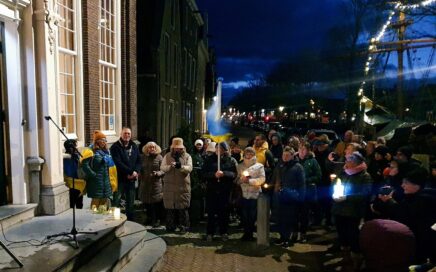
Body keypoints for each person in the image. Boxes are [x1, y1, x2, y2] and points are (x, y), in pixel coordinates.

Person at [372, 168, 436, 264]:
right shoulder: (412, 196)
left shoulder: (425, 200)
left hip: (417, 244)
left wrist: (390, 202)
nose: (402, 185)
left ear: (417, 185)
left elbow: (406, 217)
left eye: (406, 183)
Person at [331, 151, 372, 270]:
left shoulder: (365, 176)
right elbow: (335, 185)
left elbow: (365, 194)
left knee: (353, 236)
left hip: (353, 212)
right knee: (342, 235)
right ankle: (346, 257)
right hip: (339, 209)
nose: (346, 162)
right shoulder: (343, 173)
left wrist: (347, 197)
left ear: (356, 163)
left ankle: (356, 261)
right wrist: (334, 194)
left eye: (349, 160)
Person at [202, 141, 238, 241]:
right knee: (211, 213)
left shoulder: (230, 160)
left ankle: (224, 232)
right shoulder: (209, 159)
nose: (218, 150)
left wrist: (224, 173)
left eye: (221, 148)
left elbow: (234, 174)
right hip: (212, 190)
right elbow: (203, 174)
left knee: (224, 213)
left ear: (224, 150)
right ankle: (210, 233)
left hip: (224, 191)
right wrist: (214, 175)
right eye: (217, 148)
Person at [273, 146, 306, 247]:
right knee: (280, 218)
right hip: (280, 196)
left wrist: (301, 197)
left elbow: (302, 184)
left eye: (287, 155)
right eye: (284, 155)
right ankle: (282, 237)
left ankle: (287, 238)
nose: (285, 157)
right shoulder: (280, 165)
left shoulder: (298, 167)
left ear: (292, 156)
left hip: (292, 197)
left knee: (289, 218)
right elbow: (275, 178)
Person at [161, 137, 193, 233]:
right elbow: (162, 167)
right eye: (175, 148)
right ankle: (170, 226)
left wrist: (181, 166)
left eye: (179, 148)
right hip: (169, 187)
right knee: (170, 208)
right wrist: (170, 166)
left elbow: (189, 168)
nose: (177, 149)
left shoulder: (187, 156)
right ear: (172, 148)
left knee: (182, 208)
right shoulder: (167, 156)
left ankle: (184, 227)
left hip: (182, 186)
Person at [110, 127, 142, 220]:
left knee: (130, 201)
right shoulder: (115, 147)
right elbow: (118, 162)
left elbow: (139, 160)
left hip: (131, 179)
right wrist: (130, 172)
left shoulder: (134, 146)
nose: (127, 135)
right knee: (116, 200)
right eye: (125, 133)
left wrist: (136, 171)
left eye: (128, 133)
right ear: (121, 134)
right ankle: (114, 220)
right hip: (120, 179)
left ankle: (130, 220)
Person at [236, 147, 265, 241]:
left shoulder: (259, 166)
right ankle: (246, 233)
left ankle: (251, 234)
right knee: (244, 216)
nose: (248, 156)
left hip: (254, 195)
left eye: (250, 154)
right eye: (246, 154)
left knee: (252, 216)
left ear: (253, 155)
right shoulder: (240, 166)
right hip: (244, 195)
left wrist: (249, 181)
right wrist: (241, 180)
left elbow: (262, 179)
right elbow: (237, 180)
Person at [81, 130, 116, 210]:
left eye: (105, 140)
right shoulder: (90, 151)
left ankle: (102, 220)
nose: (104, 142)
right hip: (95, 182)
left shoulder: (106, 152)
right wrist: (93, 175)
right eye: (102, 140)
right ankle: (93, 220)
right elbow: (84, 165)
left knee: (104, 202)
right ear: (97, 141)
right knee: (95, 203)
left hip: (106, 181)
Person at [297, 141, 321, 242]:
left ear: (308, 150)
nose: (301, 151)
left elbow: (318, 176)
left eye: (304, 149)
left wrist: (307, 180)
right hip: (295, 191)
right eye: (300, 149)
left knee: (304, 213)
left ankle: (303, 233)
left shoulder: (313, 161)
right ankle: (294, 232)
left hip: (306, 191)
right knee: (294, 212)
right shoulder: (295, 159)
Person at [139, 141, 164, 227]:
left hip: (156, 184)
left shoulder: (160, 157)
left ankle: (157, 219)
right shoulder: (143, 157)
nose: (152, 149)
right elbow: (139, 167)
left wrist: (158, 173)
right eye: (150, 147)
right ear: (147, 148)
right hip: (145, 183)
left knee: (156, 203)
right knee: (147, 203)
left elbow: (163, 170)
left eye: (153, 147)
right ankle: (149, 218)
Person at [63, 139, 85, 209]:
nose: (76, 148)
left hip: (79, 184)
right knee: (72, 204)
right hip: (71, 184)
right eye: (75, 146)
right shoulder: (66, 158)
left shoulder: (77, 156)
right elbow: (69, 172)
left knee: (79, 204)